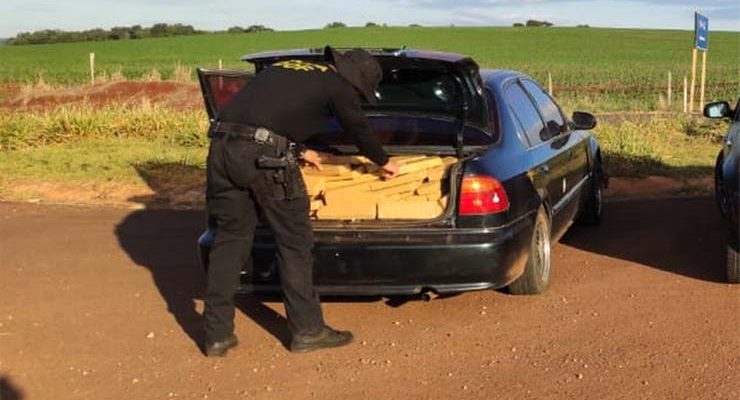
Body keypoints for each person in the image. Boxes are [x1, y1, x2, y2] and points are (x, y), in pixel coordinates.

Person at [203, 46, 400, 357]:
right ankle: (307, 331)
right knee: (294, 243)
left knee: (230, 239)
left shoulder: (288, 68)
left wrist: (298, 150)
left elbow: (266, 119)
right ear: (356, 81)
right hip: (266, 162)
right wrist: (383, 160)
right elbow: (358, 127)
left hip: (221, 150)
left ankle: (216, 335)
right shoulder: (338, 87)